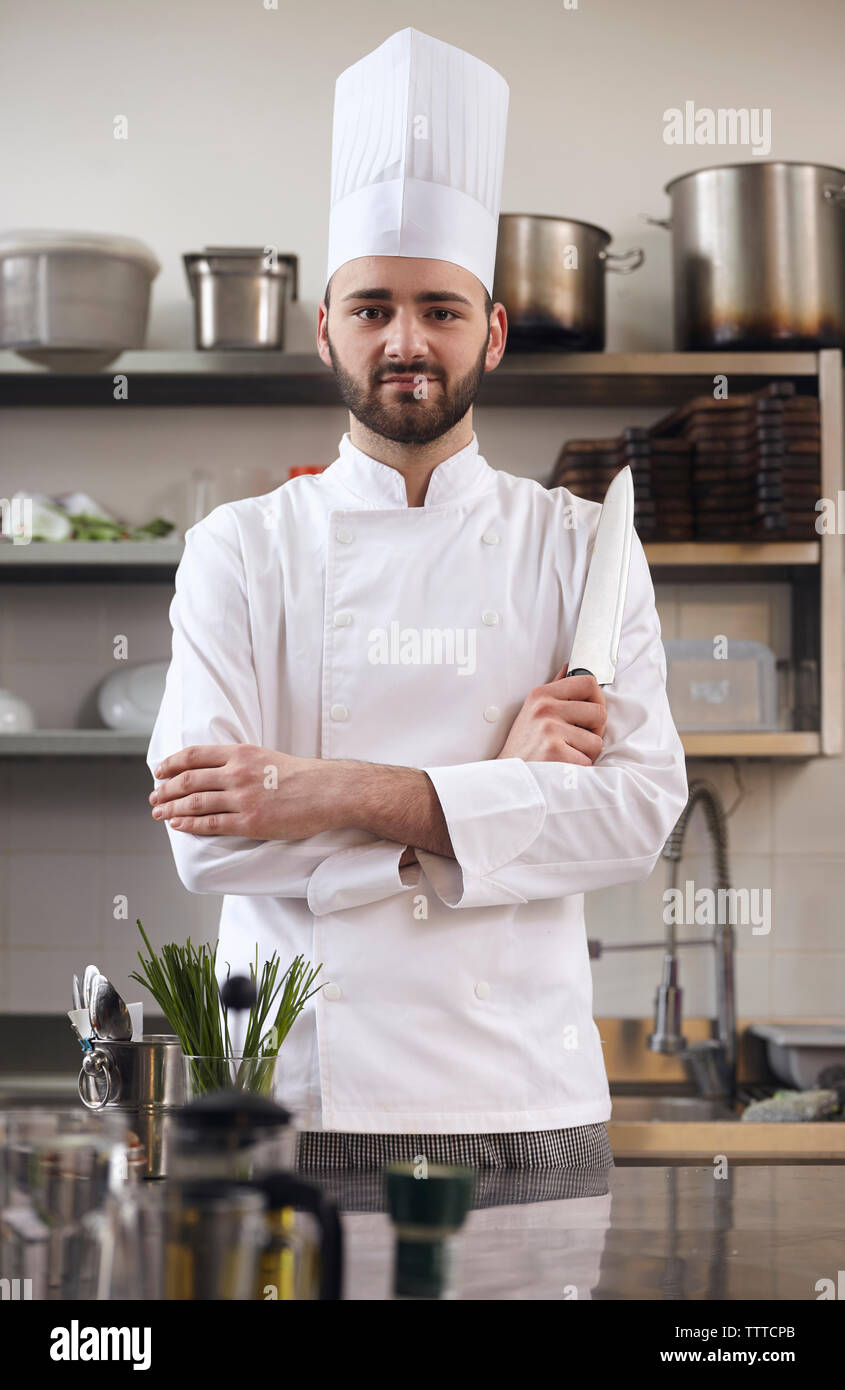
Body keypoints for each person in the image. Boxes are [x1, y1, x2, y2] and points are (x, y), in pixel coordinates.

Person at [147, 28, 688, 1175]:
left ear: (490, 330)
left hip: (527, 1103)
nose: (406, 341)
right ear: (325, 329)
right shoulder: (237, 551)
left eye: (440, 309)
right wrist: (496, 802)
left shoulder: (581, 544)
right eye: (373, 307)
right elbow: (208, 844)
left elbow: (635, 815)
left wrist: (322, 788)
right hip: (301, 1106)